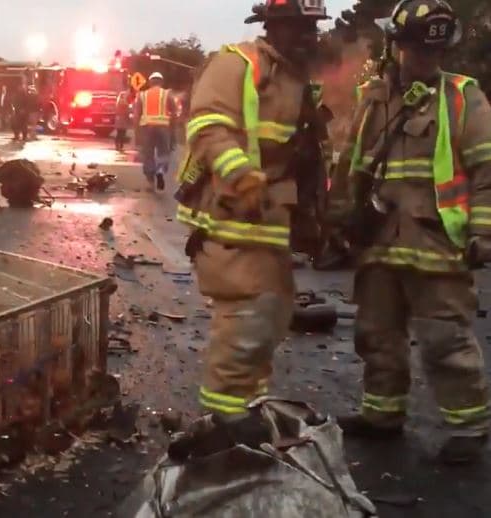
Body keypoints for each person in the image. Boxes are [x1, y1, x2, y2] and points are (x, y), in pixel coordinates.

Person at [333, 0, 491, 464]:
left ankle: (469, 429)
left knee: (445, 339)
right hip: (379, 242)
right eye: (416, 49)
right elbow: (350, 165)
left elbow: (487, 171)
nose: (423, 59)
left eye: (432, 52)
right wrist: (336, 220)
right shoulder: (374, 99)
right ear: (396, 45)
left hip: (435, 243)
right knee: (376, 333)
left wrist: (484, 232)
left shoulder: (463, 98)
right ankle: (382, 414)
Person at [175, 0, 329, 433]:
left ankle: (247, 407)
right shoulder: (237, 63)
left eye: (313, 28)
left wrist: (317, 219)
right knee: (247, 318)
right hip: (230, 218)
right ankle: (224, 420)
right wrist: (241, 176)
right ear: (273, 26)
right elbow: (207, 126)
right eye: (299, 27)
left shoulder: (297, 81)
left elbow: (305, 156)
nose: (309, 37)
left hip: (268, 223)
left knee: (270, 318)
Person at [134, 72, 176, 191]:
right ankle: (160, 170)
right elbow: (174, 113)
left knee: (148, 154)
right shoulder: (167, 94)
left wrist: (137, 133)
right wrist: (172, 131)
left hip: (147, 128)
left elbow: (136, 115)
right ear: (161, 82)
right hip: (163, 127)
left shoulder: (142, 95)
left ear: (150, 82)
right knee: (164, 152)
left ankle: (150, 182)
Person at [114, 88, 131, 152]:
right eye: (124, 95)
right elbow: (127, 111)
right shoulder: (123, 102)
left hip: (120, 120)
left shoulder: (119, 102)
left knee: (120, 133)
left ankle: (119, 146)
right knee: (121, 133)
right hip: (122, 120)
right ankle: (119, 146)